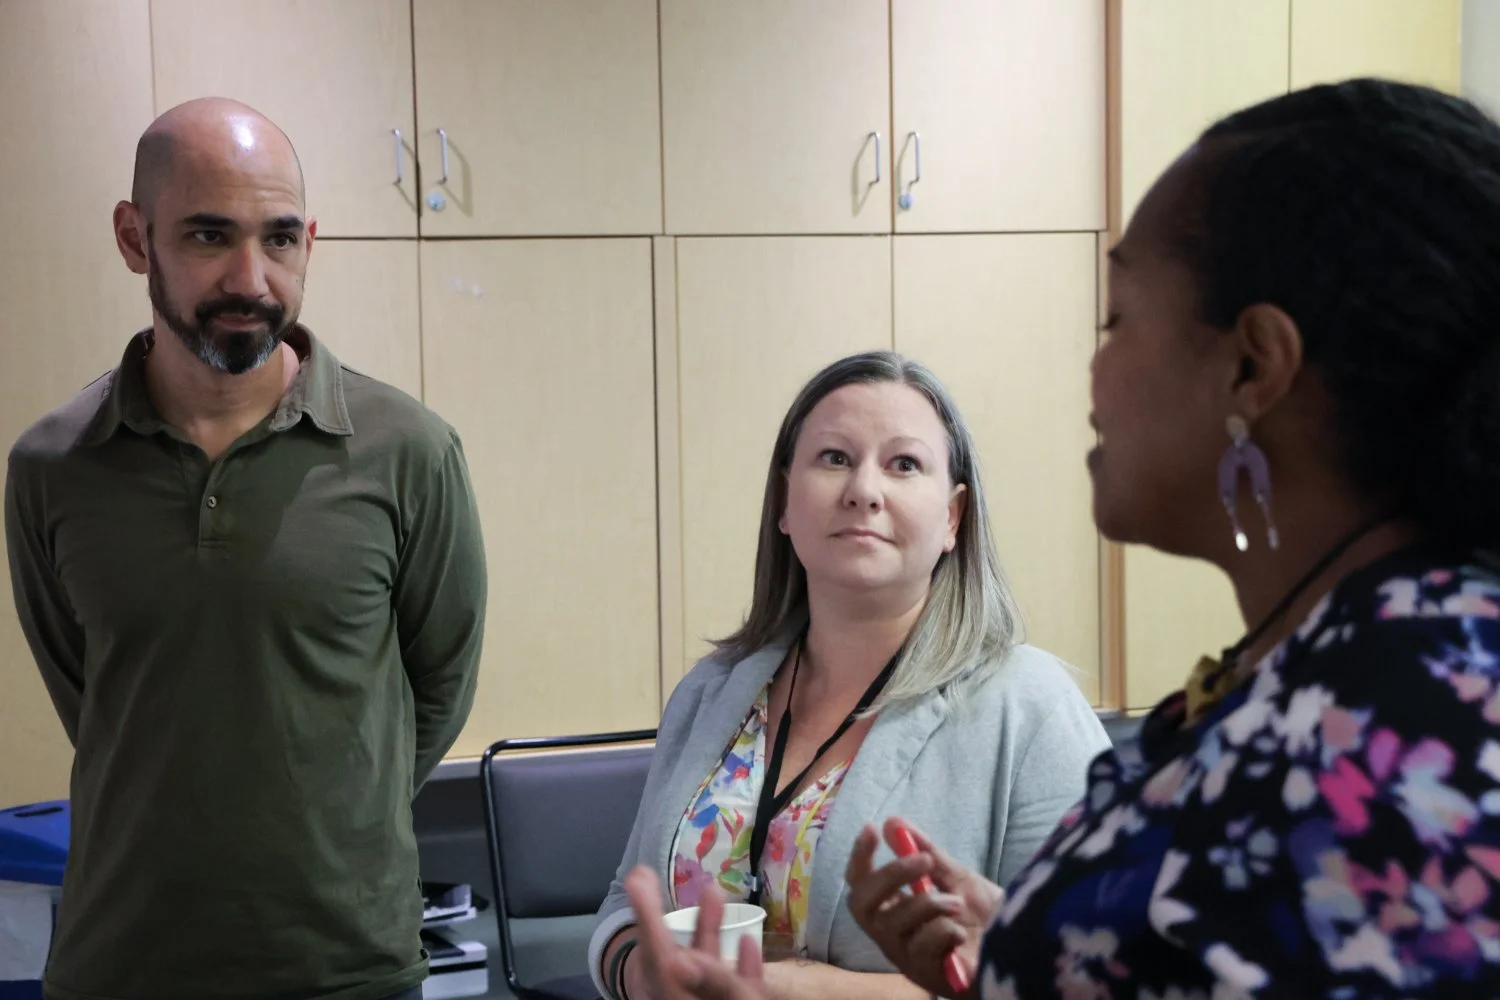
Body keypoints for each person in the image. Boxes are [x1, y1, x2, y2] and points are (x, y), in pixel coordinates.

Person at [620, 78, 1500, 998]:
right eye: (833, 460)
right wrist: (1017, 949)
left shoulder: (1406, 720)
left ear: (1252, 366)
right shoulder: (1314, 669)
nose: (1095, 368)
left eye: (1119, 318)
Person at [4, 97, 487, 1000]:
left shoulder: (409, 452)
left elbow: (438, 687)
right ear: (133, 238)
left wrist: (329, 809)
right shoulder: (52, 467)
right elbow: (95, 698)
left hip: (347, 969)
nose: (251, 278)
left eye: (279, 239)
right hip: (123, 966)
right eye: (206, 236)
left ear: (311, 241)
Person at [589, 352, 1109, 1000]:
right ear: (784, 500)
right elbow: (622, 903)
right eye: (834, 458)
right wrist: (641, 973)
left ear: (953, 518)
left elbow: (1087, 972)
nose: (864, 489)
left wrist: (800, 992)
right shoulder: (711, 691)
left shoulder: (1030, 708)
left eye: (903, 464)